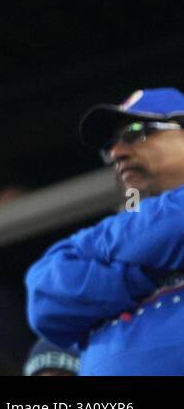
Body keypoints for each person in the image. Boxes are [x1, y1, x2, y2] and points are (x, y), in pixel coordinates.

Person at [25, 87, 184, 374]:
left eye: (135, 132)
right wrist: (146, 273)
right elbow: (43, 295)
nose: (116, 152)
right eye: (110, 143)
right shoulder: (122, 228)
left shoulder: (92, 246)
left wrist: (102, 268)